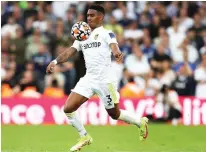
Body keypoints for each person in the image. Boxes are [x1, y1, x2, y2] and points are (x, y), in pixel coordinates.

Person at [46, 4, 149, 152]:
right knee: (68, 108)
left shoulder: (107, 33)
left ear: (101, 17)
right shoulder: (82, 35)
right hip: (89, 79)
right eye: (87, 16)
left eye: (92, 15)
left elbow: (114, 46)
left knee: (114, 114)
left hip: (106, 81)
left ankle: (140, 122)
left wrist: (117, 53)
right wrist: (55, 61)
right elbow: (70, 52)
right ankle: (84, 136)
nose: (89, 18)